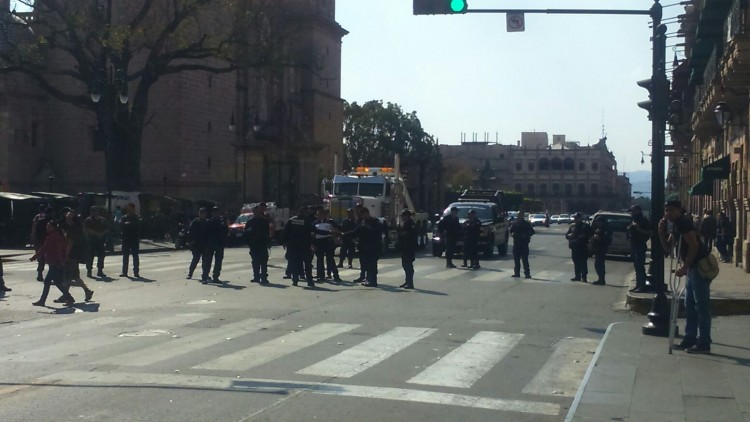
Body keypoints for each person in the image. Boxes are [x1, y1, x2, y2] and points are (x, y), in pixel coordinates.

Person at [659, 200, 712, 354]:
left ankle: (703, 342)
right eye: (667, 210)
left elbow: (694, 245)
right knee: (690, 305)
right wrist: (661, 232)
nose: (669, 213)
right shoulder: (675, 225)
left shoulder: (683, 223)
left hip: (699, 268)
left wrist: (684, 266)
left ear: (679, 210)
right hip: (692, 270)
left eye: (672, 210)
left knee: (701, 306)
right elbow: (668, 249)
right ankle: (690, 338)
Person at [30, 221, 75, 307]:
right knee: (56, 282)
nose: (47, 228)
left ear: (53, 227)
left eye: (49, 226)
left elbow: (44, 248)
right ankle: (44, 300)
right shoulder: (60, 235)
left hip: (54, 261)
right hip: (57, 261)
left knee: (48, 281)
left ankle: (68, 298)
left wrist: (34, 256)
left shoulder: (51, 237)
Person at [61, 209, 94, 302]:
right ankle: (85, 291)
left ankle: (67, 296)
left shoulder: (72, 229)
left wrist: (66, 255)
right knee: (74, 276)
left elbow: (70, 243)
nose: (66, 217)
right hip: (76, 255)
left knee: (68, 276)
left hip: (72, 255)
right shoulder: (78, 228)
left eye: (68, 216)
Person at [346, 207, 383, 287]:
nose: (362, 216)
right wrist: (344, 235)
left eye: (363, 214)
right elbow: (356, 231)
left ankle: (373, 281)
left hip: (373, 246)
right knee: (365, 263)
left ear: (367, 213)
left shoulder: (375, 221)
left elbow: (378, 232)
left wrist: (367, 227)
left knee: (372, 264)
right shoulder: (363, 222)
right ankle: (366, 278)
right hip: (364, 246)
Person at [282, 207, 315, 287]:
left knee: (295, 264)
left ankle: (295, 280)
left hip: (294, 246)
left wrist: (284, 242)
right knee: (307, 265)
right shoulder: (307, 221)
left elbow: (285, 232)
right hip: (305, 246)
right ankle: (309, 281)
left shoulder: (291, 220)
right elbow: (314, 231)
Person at [626, 205, 652, 292]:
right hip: (634, 245)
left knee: (640, 266)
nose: (631, 213)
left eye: (633, 211)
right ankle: (638, 284)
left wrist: (638, 229)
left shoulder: (643, 221)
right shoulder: (634, 220)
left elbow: (650, 232)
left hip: (640, 245)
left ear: (638, 211)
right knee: (636, 266)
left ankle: (642, 285)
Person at [313, 208, 341, 282]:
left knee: (330, 259)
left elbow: (336, 231)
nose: (318, 216)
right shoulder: (315, 222)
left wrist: (336, 237)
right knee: (319, 259)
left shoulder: (330, 222)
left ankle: (336, 275)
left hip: (328, 241)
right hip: (319, 242)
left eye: (320, 214)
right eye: (317, 214)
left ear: (324, 215)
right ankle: (320, 275)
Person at [245, 205, 271, 284]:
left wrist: (268, 242)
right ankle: (256, 277)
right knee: (255, 262)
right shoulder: (250, 222)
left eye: (258, 212)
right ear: (253, 212)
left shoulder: (264, 221)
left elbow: (267, 232)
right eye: (255, 212)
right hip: (254, 244)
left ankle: (264, 277)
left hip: (263, 244)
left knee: (263, 262)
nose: (257, 213)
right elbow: (245, 233)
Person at [565, 212, 591, 282]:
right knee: (576, 262)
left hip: (582, 247)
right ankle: (577, 276)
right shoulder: (572, 226)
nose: (575, 219)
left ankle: (584, 277)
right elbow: (567, 234)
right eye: (575, 218)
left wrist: (578, 237)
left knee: (583, 262)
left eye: (577, 218)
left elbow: (588, 235)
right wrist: (568, 236)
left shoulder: (585, 226)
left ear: (580, 218)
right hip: (574, 247)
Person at [84, 206, 109, 278]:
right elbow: (87, 229)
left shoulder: (103, 220)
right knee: (90, 256)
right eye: (92, 211)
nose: (93, 212)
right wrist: (98, 234)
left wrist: (102, 234)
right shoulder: (88, 220)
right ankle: (89, 270)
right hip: (91, 240)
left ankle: (100, 270)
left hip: (101, 241)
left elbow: (107, 229)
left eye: (95, 211)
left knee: (101, 256)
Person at [509, 210, 535, 278]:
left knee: (525, 260)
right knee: (516, 260)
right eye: (518, 215)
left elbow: (532, 232)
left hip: (524, 244)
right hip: (516, 244)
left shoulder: (526, 223)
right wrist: (512, 234)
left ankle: (527, 273)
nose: (519, 216)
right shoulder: (515, 223)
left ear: (522, 216)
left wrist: (526, 235)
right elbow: (511, 231)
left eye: (520, 215)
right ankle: (517, 273)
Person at [186, 207, 210, 280]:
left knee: (205, 261)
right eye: (201, 213)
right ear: (199, 213)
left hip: (205, 244)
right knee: (195, 259)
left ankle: (205, 274)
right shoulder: (195, 221)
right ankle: (190, 273)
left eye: (204, 213)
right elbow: (191, 232)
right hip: (197, 244)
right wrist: (190, 241)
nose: (203, 214)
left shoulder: (208, 221)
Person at [30, 205, 53, 281]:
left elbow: (34, 226)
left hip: (39, 240)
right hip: (47, 239)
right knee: (51, 258)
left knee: (41, 258)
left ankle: (40, 274)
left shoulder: (38, 217)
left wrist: (33, 236)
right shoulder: (50, 219)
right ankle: (52, 274)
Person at [397, 209, 418, 289]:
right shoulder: (404, 223)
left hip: (409, 247)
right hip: (404, 247)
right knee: (405, 265)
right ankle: (407, 281)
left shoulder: (411, 224)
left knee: (408, 265)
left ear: (407, 216)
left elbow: (407, 234)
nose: (402, 217)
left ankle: (410, 282)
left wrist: (402, 233)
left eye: (403, 216)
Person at [119, 203, 141, 278]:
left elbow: (137, 226)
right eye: (128, 208)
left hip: (134, 239)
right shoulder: (124, 217)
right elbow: (121, 225)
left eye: (130, 208)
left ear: (133, 209)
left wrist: (128, 224)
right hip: (126, 239)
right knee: (125, 256)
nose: (129, 209)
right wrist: (127, 225)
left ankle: (136, 272)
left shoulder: (136, 217)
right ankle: (124, 272)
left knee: (135, 256)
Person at [589, 216, 612, 286]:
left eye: (598, 222)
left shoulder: (605, 229)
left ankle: (601, 279)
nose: (597, 223)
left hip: (602, 248)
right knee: (597, 264)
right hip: (597, 247)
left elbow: (607, 239)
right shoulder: (598, 229)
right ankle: (600, 278)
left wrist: (599, 238)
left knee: (600, 264)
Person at [208, 207, 228, 282]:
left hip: (220, 243)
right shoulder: (209, 221)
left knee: (218, 260)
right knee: (208, 260)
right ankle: (205, 275)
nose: (216, 213)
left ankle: (216, 276)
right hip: (211, 243)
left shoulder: (222, 221)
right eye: (214, 212)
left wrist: (224, 240)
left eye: (217, 212)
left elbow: (226, 231)